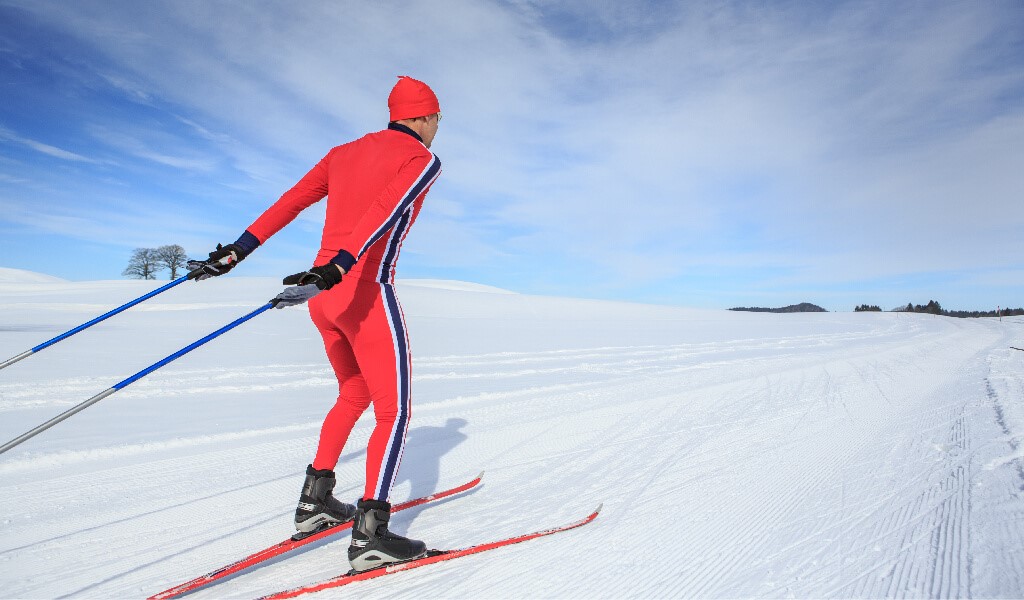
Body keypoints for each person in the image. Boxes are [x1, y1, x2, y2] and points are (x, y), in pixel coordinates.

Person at [195, 75, 442, 571]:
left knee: (354, 392)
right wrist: (344, 264)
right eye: (437, 119)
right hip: (362, 290)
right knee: (393, 412)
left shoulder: (342, 153)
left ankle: (315, 503)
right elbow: (386, 210)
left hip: (320, 298)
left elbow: (292, 199)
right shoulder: (421, 158)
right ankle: (372, 533)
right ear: (424, 117)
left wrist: (237, 251)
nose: (438, 129)